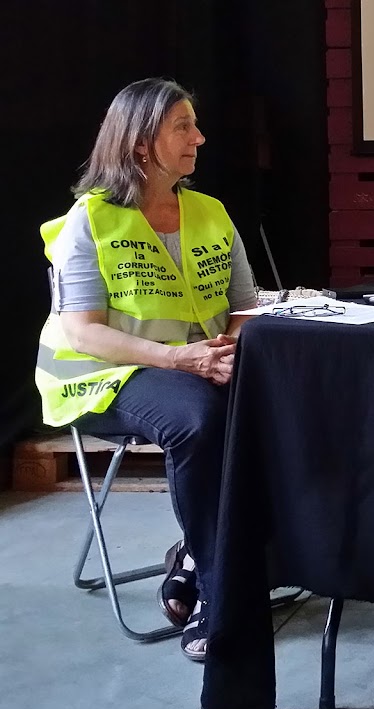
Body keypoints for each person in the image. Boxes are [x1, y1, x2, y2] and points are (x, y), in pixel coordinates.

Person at [35, 78, 258, 662]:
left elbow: (245, 306)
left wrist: (228, 349)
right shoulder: (91, 220)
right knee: (199, 418)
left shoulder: (210, 212)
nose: (199, 138)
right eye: (183, 127)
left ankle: (199, 555)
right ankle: (217, 594)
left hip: (197, 367)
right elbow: (82, 331)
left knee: (277, 399)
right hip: (101, 376)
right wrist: (180, 358)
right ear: (139, 143)